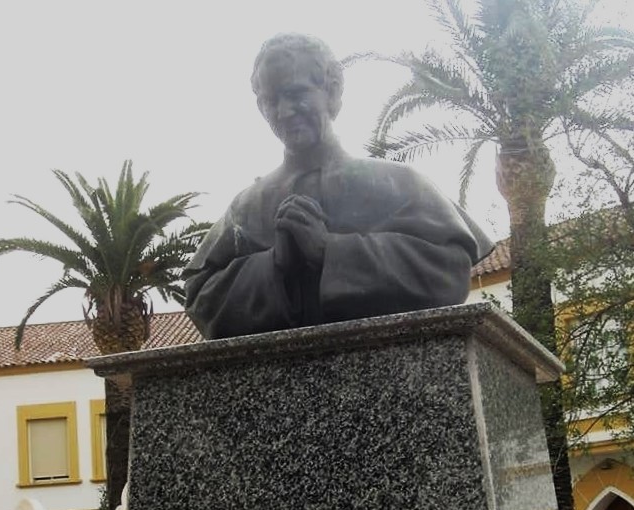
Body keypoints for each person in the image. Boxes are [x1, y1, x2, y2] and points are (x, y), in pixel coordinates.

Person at [184, 33, 493, 340]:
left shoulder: (400, 184)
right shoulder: (246, 208)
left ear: (332, 92)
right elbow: (201, 300)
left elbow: (448, 272)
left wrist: (332, 252)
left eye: (295, 93)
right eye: (270, 100)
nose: (283, 111)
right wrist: (276, 265)